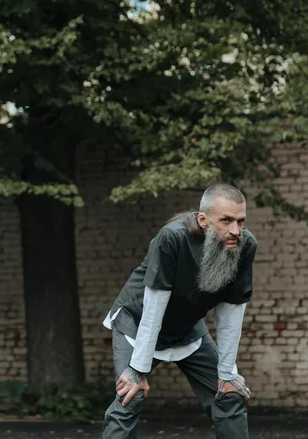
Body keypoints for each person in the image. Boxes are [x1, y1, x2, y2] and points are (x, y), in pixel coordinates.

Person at [102, 183, 257, 439]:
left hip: (186, 327)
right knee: (131, 395)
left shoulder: (244, 245)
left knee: (229, 395)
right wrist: (138, 370)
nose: (235, 230)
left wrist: (228, 374)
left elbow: (231, 312)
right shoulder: (172, 237)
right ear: (203, 220)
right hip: (137, 323)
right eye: (226, 220)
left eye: (241, 221)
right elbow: (154, 306)